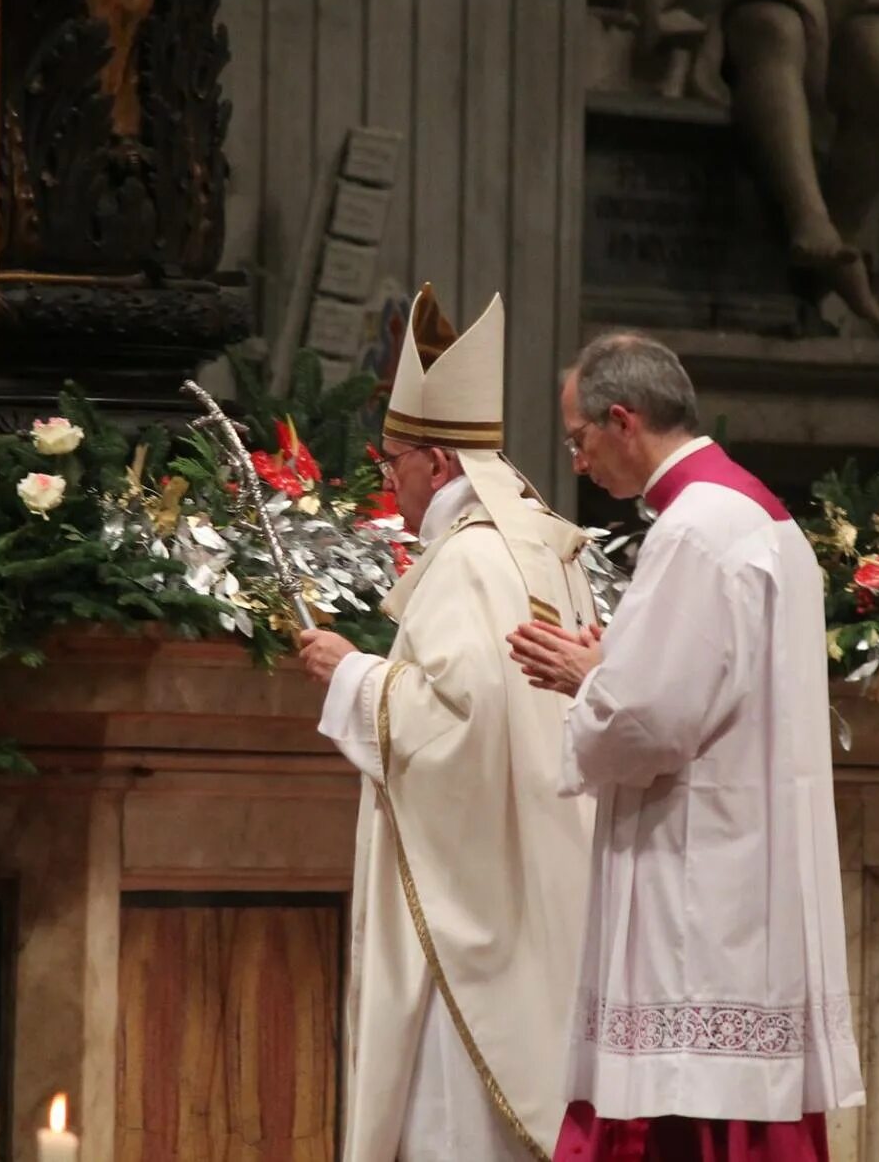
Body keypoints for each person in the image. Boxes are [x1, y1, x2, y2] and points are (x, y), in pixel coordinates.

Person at [507, 331, 861, 1161]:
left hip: (698, 890)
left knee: (676, 1114)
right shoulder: (759, 517)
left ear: (623, 420)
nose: (579, 460)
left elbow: (649, 723)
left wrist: (591, 680)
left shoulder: (696, 530)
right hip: (748, 873)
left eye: (579, 438)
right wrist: (614, 670)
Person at [296, 285, 599, 1162]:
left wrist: (349, 674)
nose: (389, 484)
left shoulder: (471, 557)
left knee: (455, 1119)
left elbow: (461, 724)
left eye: (393, 465)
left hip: (475, 898)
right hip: (537, 866)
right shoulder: (542, 541)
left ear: (436, 460)